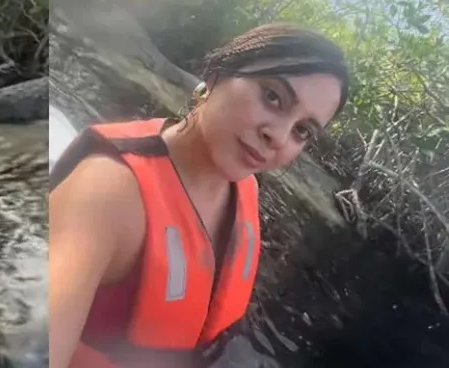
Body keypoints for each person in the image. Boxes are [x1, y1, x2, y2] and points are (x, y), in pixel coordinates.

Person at [48, 23, 350, 368]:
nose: (278, 137)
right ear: (218, 73)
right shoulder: (108, 193)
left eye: (302, 131)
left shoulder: (244, 186)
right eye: (273, 96)